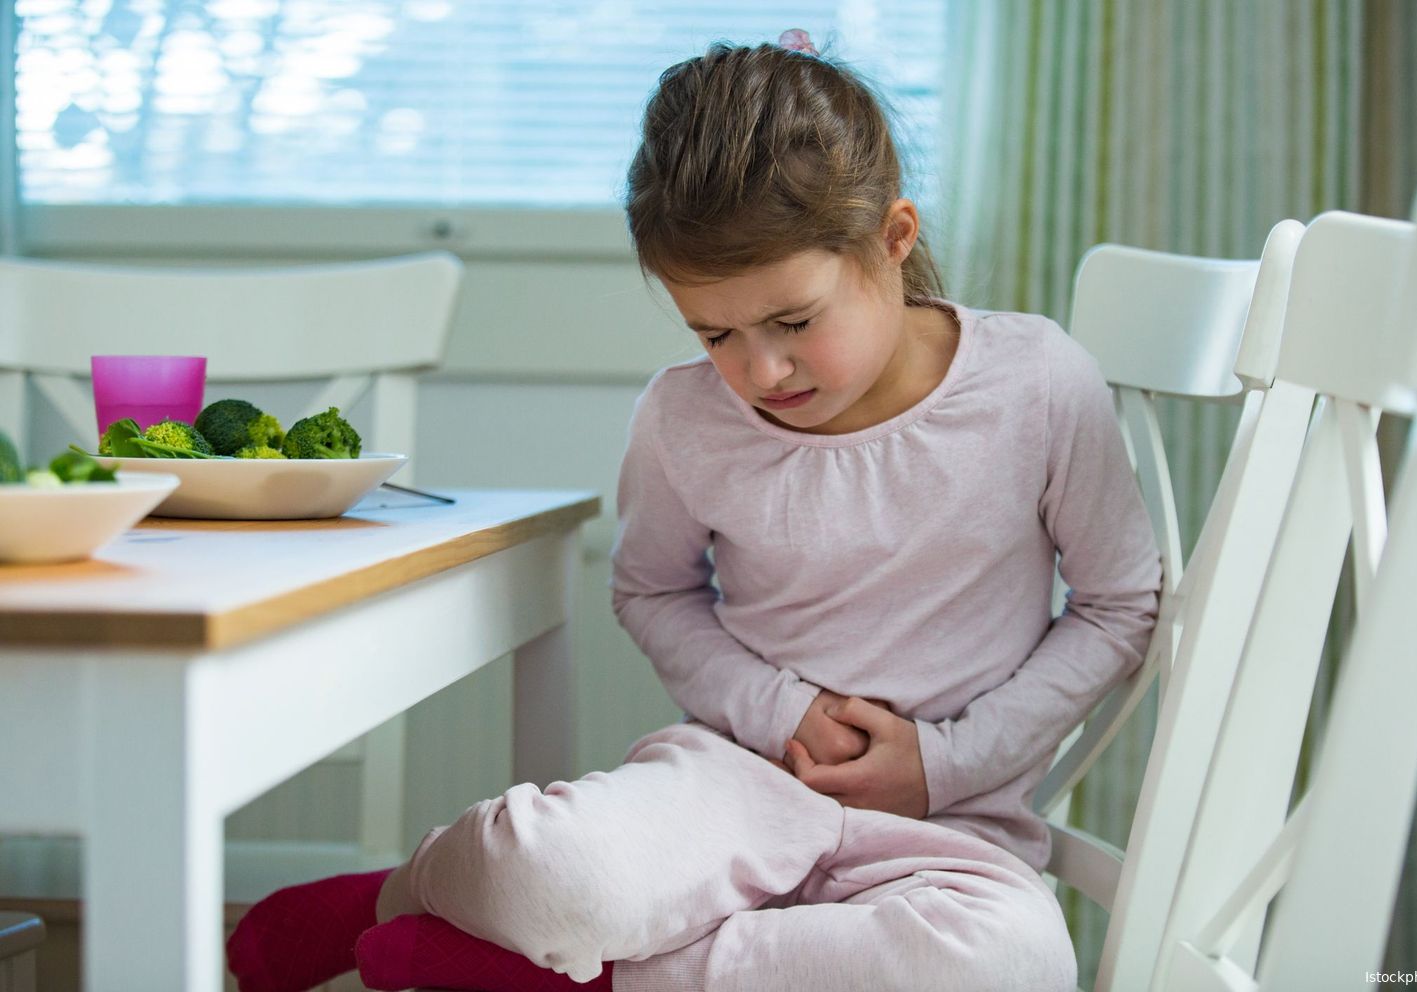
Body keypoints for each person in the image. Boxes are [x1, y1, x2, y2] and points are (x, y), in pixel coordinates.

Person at [227, 30, 1160, 992]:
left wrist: (944, 762)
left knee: (1018, 962)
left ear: (893, 238)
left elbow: (1119, 604)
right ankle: (403, 891)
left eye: (794, 322)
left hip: (947, 831)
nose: (761, 371)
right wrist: (782, 708)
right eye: (715, 332)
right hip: (733, 788)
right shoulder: (684, 416)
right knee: (549, 867)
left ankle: (584, 977)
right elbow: (653, 592)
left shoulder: (1037, 384)